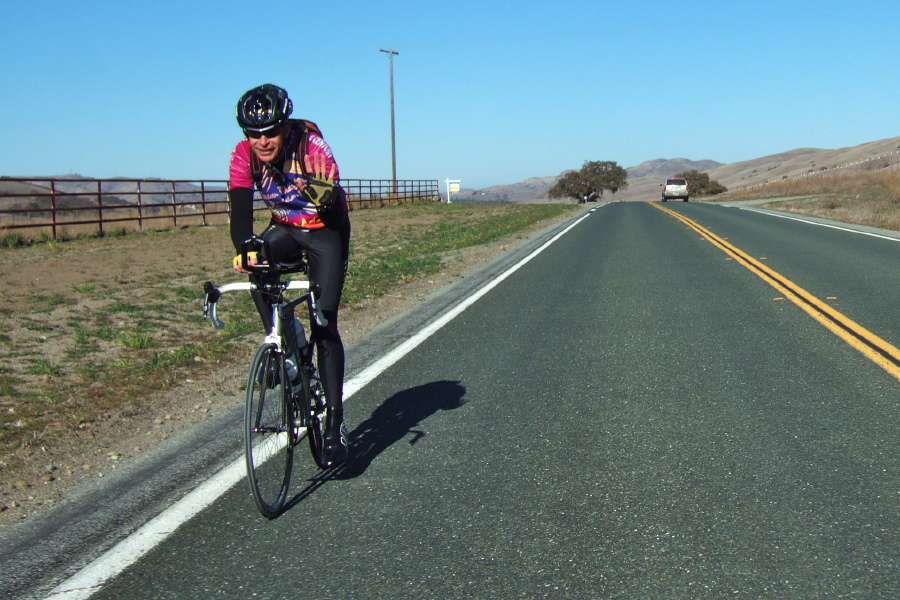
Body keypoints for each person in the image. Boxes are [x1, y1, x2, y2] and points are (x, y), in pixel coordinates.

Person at [228, 83, 351, 467]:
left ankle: (334, 424)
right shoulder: (243, 155)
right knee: (255, 264)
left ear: (285, 126)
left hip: (326, 232)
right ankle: (287, 349)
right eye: (254, 133)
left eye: (271, 132)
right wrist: (246, 247)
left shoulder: (311, 148)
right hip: (286, 228)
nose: (263, 141)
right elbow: (240, 213)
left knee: (325, 321)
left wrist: (324, 194)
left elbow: (331, 205)